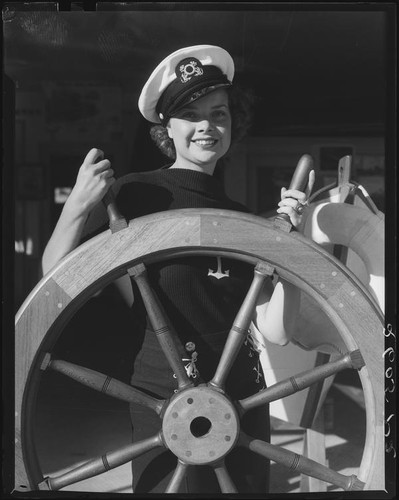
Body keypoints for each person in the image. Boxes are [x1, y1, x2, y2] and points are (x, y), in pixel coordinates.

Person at [42, 45, 314, 493]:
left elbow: (276, 331)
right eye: (190, 113)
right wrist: (77, 204)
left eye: (219, 113)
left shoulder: (242, 217)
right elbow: (55, 283)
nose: (207, 125)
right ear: (166, 127)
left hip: (242, 402)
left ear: (232, 124)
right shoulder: (133, 197)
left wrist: (293, 249)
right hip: (164, 403)